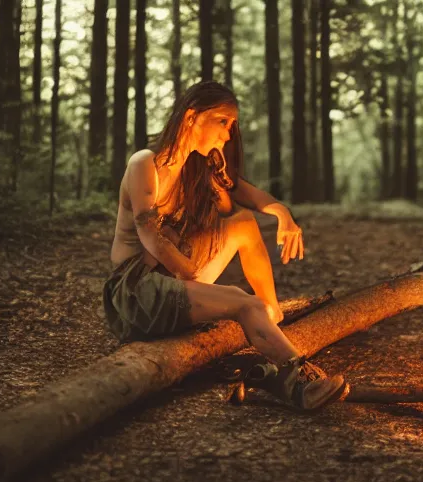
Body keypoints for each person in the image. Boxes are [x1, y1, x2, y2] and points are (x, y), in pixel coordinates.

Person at [103, 81, 346, 411]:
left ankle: (271, 317)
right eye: (223, 122)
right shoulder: (145, 164)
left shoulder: (194, 166)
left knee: (243, 224)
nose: (228, 135)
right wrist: (188, 272)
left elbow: (245, 194)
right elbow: (149, 233)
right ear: (192, 117)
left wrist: (282, 214)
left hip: (172, 278)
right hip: (136, 293)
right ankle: (299, 381)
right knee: (241, 301)